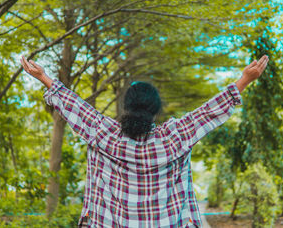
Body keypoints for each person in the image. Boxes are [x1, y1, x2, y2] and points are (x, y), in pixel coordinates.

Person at [20, 55, 269, 228]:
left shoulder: (104, 132)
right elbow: (206, 113)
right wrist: (244, 80)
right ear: (156, 109)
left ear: (126, 107)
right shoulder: (175, 136)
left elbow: (76, 107)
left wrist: (44, 77)